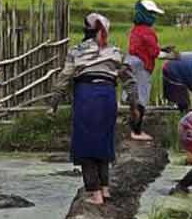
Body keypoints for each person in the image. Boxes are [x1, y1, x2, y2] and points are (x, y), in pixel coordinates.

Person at [48, 12, 139, 205]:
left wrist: (53, 104)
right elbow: (129, 81)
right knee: (104, 142)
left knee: (85, 146)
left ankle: (95, 194)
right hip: (107, 97)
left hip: (86, 97)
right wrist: (134, 105)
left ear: (85, 30)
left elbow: (64, 79)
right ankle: (105, 189)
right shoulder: (115, 51)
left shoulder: (76, 51)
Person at [125, 0, 176, 141]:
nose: (154, 17)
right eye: (152, 13)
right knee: (141, 100)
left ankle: (133, 129)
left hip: (130, 63)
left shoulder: (135, 30)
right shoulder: (148, 32)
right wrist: (172, 56)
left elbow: (144, 48)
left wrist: (162, 49)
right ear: (146, 14)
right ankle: (137, 132)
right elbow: (154, 54)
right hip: (141, 66)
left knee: (132, 97)